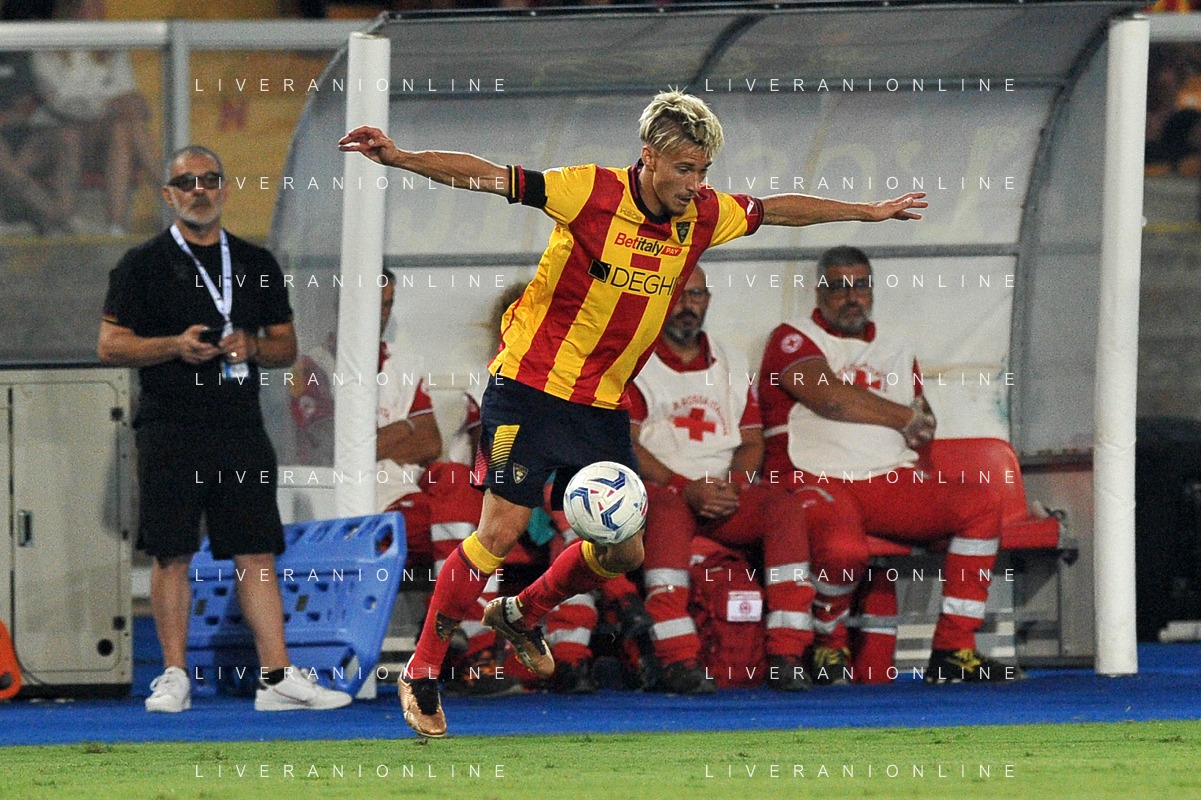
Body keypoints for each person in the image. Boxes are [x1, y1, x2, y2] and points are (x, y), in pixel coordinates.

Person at [339, 90, 926, 737]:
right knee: (499, 532)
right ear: (648, 157)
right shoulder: (588, 191)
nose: (695, 183)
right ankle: (421, 671)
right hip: (527, 388)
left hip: (599, 407)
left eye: (703, 170)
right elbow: (490, 176)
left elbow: (777, 209)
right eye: (684, 168)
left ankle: (523, 611)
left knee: (623, 550)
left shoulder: (701, 215)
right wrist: (401, 158)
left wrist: (866, 213)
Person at [98, 144, 352, 713]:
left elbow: (285, 346)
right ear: (168, 195)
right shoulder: (141, 265)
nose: (199, 191)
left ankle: (277, 676)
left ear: (225, 189)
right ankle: (173, 676)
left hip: (239, 426)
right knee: (171, 553)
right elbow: (109, 345)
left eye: (209, 179)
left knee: (256, 550)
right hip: (169, 426)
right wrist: (174, 346)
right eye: (186, 182)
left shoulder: (257, 262)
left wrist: (251, 347)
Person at [756, 245, 1022, 685]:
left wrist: (921, 425)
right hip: (816, 475)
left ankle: (954, 647)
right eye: (839, 287)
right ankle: (828, 641)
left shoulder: (895, 345)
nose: (851, 297)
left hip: (887, 477)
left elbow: (921, 415)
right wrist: (904, 418)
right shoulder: (793, 338)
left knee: (981, 503)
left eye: (861, 285)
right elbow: (830, 398)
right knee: (843, 551)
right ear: (819, 292)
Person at [629, 265, 816, 693]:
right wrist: (683, 487)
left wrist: (734, 485)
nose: (686, 306)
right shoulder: (634, 361)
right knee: (666, 509)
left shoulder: (731, 360)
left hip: (722, 492)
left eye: (696, 295)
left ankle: (787, 652)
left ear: (708, 300)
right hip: (664, 491)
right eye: (677, 294)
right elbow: (628, 444)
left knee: (783, 506)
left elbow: (751, 441)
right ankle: (678, 658)